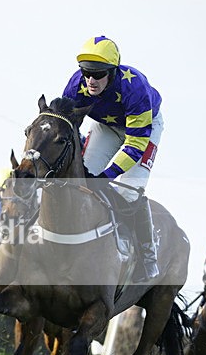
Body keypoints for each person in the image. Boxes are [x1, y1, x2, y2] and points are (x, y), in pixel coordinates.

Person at [63, 35, 163, 282]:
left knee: (129, 191)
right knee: (82, 180)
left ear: (113, 72)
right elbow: (67, 127)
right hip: (106, 127)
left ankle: (147, 256)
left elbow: (136, 144)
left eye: (98, 74)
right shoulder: (76, 85)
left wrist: (108, 175)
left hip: (143, 129)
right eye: (86, 72)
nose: (91, 80)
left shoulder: (134, 87)